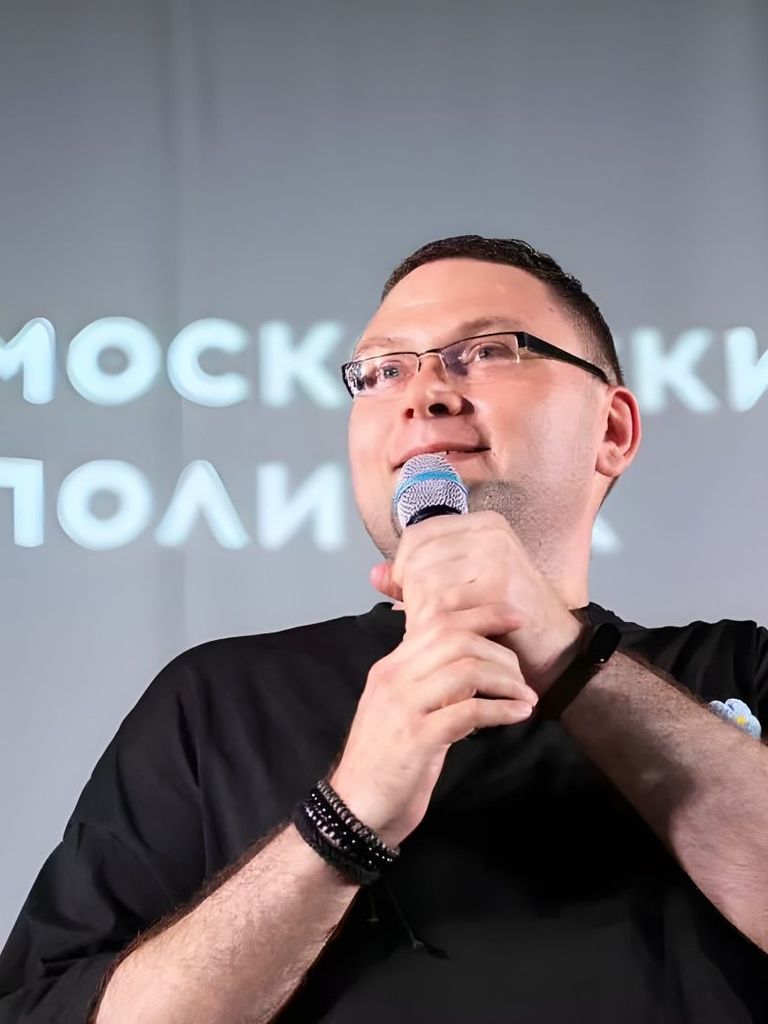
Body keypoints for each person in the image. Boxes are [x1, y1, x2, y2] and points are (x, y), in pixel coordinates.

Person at [1, 235, 767, 1024]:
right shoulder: (216, 702)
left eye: (487, 352)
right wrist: (342, 819)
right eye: (382, 371)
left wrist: (565, 653)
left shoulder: (738, 669)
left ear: (613, 431)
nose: (424, 393)